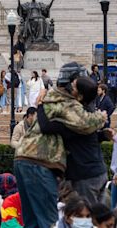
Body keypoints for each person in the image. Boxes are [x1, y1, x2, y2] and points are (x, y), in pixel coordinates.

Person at [15, 62, 107, 227]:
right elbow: (87, 123)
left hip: (23, 158)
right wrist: (102, 116)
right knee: (49, 222)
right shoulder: (68, 103)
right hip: (40, 161)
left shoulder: (52, 97)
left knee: (32, 221)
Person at [37, 77, 109, 205]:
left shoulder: (75, 117)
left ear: (80, 96)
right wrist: (103, 135)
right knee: (99, 219)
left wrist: (40, 104)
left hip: (84, 176)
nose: (70, 88)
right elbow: (88, 138)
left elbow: (46, 127)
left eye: (74, 87)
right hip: (99, 171)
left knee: (86, 219)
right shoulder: (89, 113)